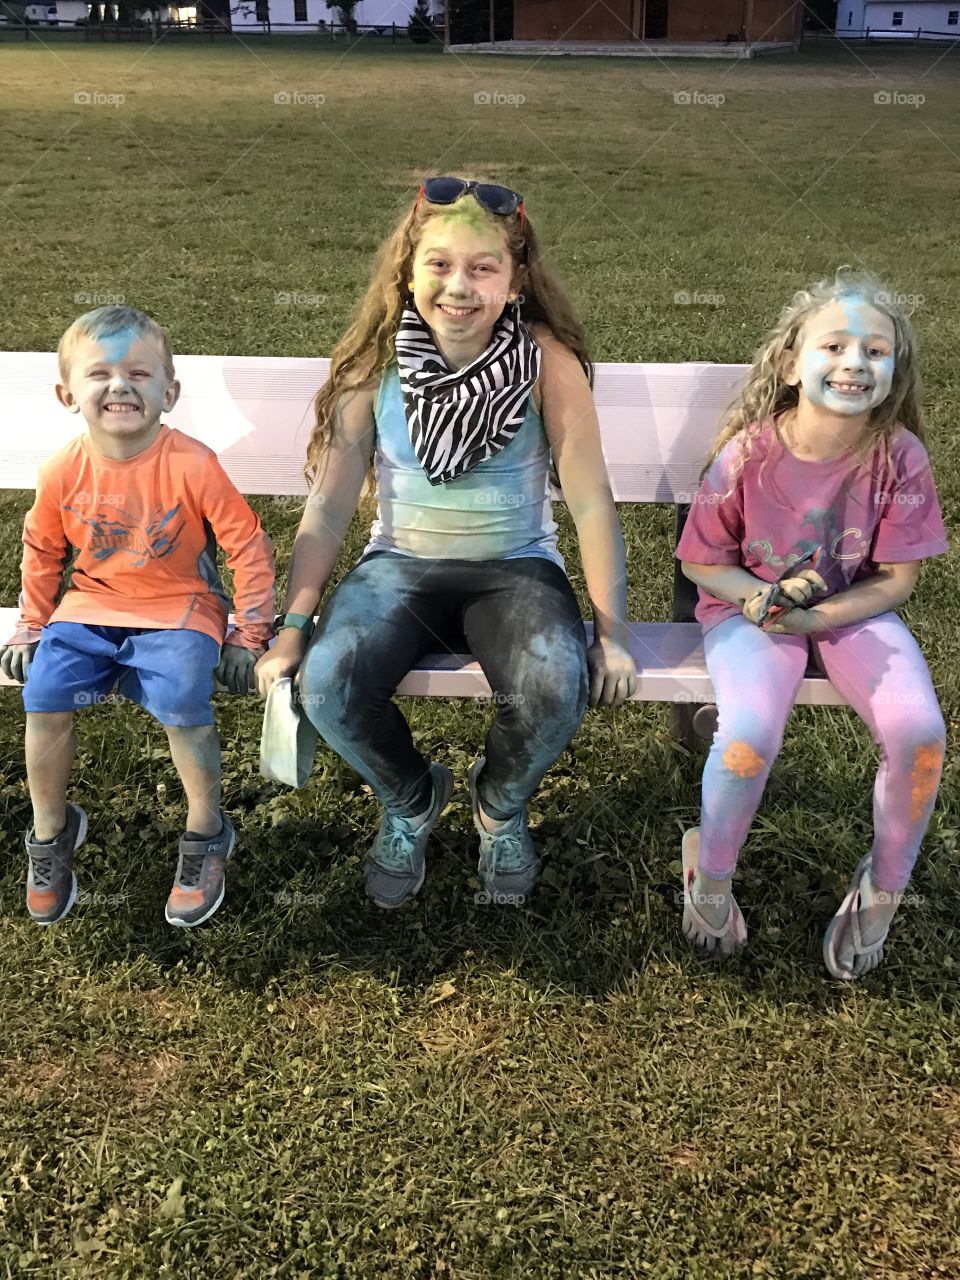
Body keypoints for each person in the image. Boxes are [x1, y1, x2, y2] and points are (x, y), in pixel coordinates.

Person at [256, 176, 636, 909]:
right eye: (439, 265)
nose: (459, 287)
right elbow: (331, 507)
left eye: (482, 268)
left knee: (556, 685)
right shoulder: (376, 366)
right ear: (406, 269)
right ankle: (410, 799)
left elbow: (590, 501)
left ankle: (498, 805)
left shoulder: (544, 364)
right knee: (330, 685)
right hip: (399, 565)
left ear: (516, 278)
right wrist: (296, 625)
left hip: (515, 568)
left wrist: (612, 634)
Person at [676, 268, 947, 978]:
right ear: (792, 364)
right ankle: (709, 874)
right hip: (749, 612)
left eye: (876, 351)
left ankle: (884, 888)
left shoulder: (899, 457)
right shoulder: (746, 454)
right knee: (747, 737)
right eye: (834, 345)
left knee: (920, 735)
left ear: (895, 371)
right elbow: (704, 563)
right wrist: (759, 601)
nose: (855, 362)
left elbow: (897, 579)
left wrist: (819, 616)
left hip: (850, 609)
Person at [0, 306, 276, 928]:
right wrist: (32, 625)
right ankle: (52, 828)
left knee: (182, 693)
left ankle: (207, 829)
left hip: (181, 607)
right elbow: (43, 552)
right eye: (100, 373)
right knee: (42, 691)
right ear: (67, 394)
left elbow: (247, 545)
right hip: (89, 606)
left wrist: (249, 632)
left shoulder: (193, 464)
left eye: (140, 373)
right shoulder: (62, 470)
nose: (120, 385)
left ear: (169, 392)